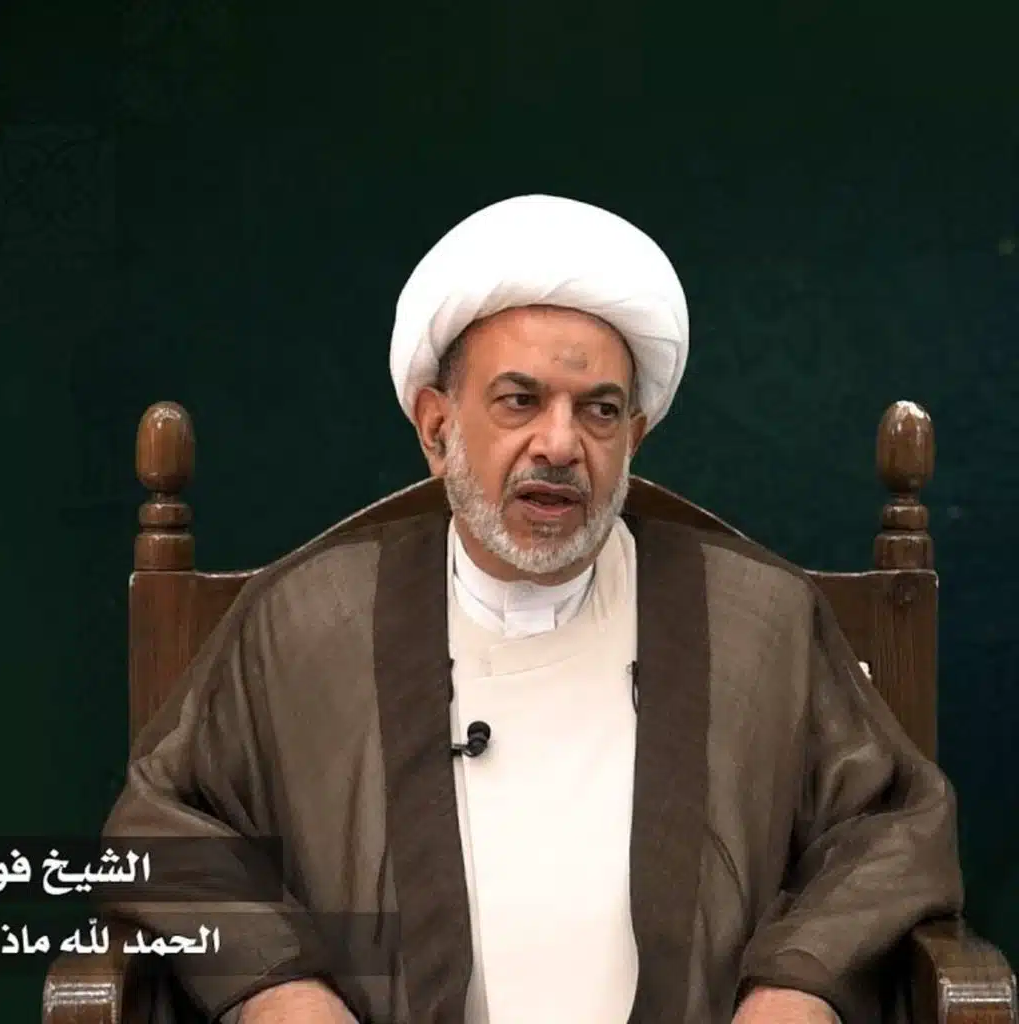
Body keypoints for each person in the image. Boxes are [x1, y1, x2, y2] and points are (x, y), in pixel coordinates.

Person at [100, 195, 964, 1024]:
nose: (560, 443)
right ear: (436, 427)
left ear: (633, 438)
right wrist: (278, 989)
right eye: (520, 401)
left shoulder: (756, 620)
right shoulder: (308, 623)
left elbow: (893, 823)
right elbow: (158, 830)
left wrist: (801, 986)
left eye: (599, 412)